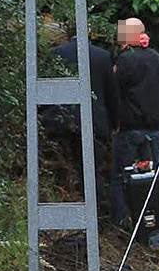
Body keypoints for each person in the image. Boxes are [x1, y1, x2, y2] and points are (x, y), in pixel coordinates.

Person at [111, 17, 159, 249]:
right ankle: (156, 227)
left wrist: (113, 124)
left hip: (130, 132)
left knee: (122, 179)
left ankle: (124, 227)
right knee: (154, 181)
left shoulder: (125, 62)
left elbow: (114, 95)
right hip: (154, 133)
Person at [43, 21, 117, 217]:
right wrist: (114, 122)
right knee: (92, 172)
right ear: (90, 33)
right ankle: (98, 216)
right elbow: (111, 94)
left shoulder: (57, 54)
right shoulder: (102, 56)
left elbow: (49, 91)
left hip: (61, 122)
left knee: (63, 170)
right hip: (94, 121)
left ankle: (61, 211)